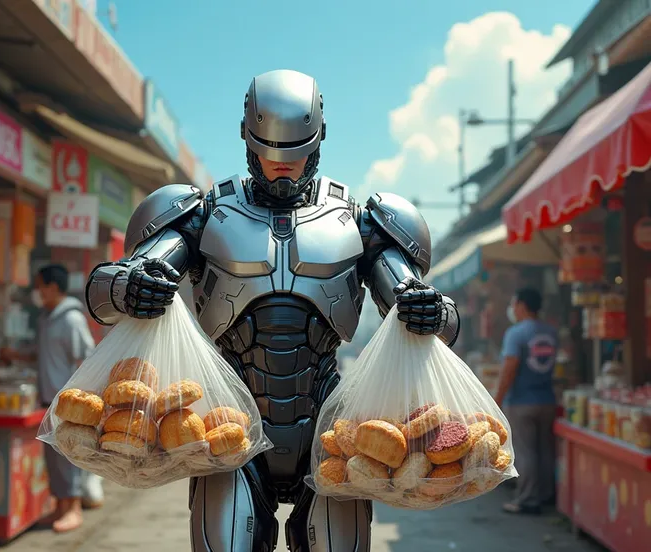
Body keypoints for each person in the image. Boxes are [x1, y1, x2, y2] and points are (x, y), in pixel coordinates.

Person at [85, 69, 461, 551]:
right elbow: (105, 292)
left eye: (296, 153)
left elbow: (430, 313)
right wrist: (128, 286)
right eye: (268, 152)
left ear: (318, 143)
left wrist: (430, 311)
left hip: (332, 432)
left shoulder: (359, 221)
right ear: (248, 140)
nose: (281, 166)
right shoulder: (204, 214)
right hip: (228, 424)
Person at [2, 264, 102, 532]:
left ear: (53, 287)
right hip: (47, 399)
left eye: (40, 285)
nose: (36, 291)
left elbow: (87, 356)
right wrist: (15, 354)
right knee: (53, 457)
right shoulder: (46, 318)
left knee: (67, 456)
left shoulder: (71, 319)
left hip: (66, 402)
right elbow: (41, 353)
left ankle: (74, 509)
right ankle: (59, 506)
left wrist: (82, 395)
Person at [495, 287, 558, 515]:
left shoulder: (516, 333)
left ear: (521, 305)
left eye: (513, 303)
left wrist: (497, 400)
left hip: (521, 402)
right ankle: (546, 494)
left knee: (526, 452)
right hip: (547, 400)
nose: (512, 308)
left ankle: (528, 500)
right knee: (545, 451)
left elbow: (509, 368)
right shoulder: (551, 332)